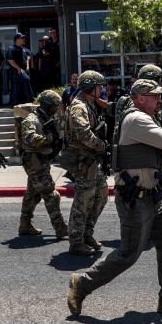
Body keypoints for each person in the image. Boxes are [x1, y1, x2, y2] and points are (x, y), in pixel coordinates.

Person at [67, 79, 162, 316]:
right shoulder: (137, 118)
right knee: (128, 254)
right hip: (135, 200)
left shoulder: (141, 118)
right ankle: (82, 284)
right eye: (154, 96)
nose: (159, 100)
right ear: (140, 98)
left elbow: (149, 148)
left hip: (151, 197)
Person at [61, 70, 108, 256]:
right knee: (83, 201)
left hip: (92, 160)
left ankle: (87, 234)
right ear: (89, 87)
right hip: (83, 161)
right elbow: (83, 134)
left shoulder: (88, 104)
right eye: (98, 87)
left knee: (101, 194)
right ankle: (76, 241)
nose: (101, 90)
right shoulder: (79, 107)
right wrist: (101, 146)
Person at [17, 90, 69, 238]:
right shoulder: (32, 119)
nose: (56, 109)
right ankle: (61, 228)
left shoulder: (46, 118)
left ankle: (25, 224)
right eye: (54, 106)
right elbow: (28, 137)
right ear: (46, 105)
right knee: (50, 194)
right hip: (34, 160)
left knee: (32, 194)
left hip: (41, 159)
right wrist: (47, 139)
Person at [6, 33, 34, 105]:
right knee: (26, 80)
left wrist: (27, 67)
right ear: (17, 39)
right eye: (22, 38)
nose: (23, 39)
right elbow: (10, 60)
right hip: (17, 72)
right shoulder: (12, 48)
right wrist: (19, 68)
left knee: (17, 88)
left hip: (24, 71)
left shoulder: (23, 49)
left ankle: (15, 103)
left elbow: (27, 58)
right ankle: (31, 99)